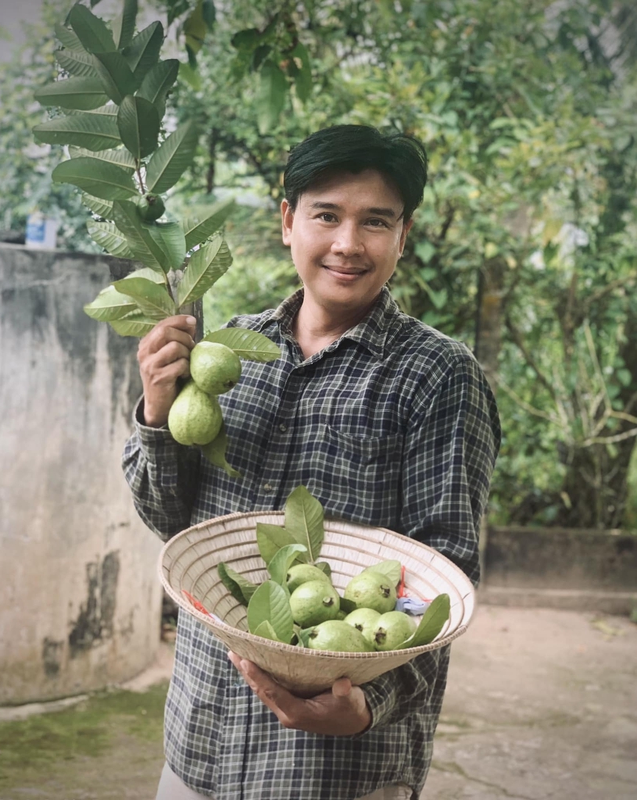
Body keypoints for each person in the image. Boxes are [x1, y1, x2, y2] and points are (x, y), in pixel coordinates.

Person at [123, 124, 500, 800]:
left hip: (335, 769)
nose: (348, 244)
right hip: (199, 741)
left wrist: (369, 707)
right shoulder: (229, 355)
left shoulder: (440, 377)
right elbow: (170, 520)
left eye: (375, 221)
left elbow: (447, 579)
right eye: (327, 215)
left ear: (403, 235)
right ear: (288, 221)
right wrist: (157, 407)